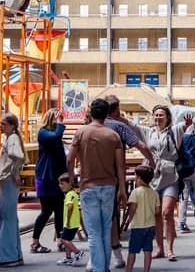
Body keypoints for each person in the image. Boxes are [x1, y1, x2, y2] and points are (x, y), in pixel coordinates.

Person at [67, 99, 127, 272]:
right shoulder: (113, 135)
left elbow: (70, 159)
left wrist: (71, 179)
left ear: (91, 112)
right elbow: (120, 166)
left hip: (88, 187)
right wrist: (122, 189)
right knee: (106, 230)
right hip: (109, 187)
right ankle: (104, 267)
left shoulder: (81, 132)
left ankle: (100, 269)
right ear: (106, 114)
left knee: (93, 233)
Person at [103, 96, 155, 269]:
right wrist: (151, 160)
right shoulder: (119, 127)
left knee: (96, 221)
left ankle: (96, 258)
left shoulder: (87, 129)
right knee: (111, 217)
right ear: (115, 110)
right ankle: (116, 255)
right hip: (113, 178)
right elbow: (141, 145)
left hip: (90, 179)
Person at [138, 104, 192, 262]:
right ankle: (160, 249)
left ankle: (169, 249)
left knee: (166, 212)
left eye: (161, 115)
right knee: (156, 215)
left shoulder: (174, 131)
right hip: (153, 177)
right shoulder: (148, 132)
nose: (158, 118)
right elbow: (133, 127)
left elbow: (184, 125)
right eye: (155, 115)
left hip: (171, 177)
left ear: (168, 118)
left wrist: (187, 124)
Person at [32, 108, 66, 254]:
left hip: (57, 177)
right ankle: (35, 242)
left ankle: (60, 240)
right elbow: (55, 137)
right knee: (46, 211)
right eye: (57, 118)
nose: (59, 121)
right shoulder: (44, 133)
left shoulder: (55, 135)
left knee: (59, 210)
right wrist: (60, 124)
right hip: (45, 177)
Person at [0, 113, 25, 268]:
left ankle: (8, 256)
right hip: (9, 181)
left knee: (4, 218)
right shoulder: (12, 138)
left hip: (7, 181)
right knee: (9, 218)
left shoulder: (11, 138)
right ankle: (14, 254)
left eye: (4, 123)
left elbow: (17, 155)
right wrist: (15, 172)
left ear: (12, 125)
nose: (1, 126)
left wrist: (13, 171)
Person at [124, 165, 161, 272]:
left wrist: (129, 221)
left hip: (137, 226)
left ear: (139, 178)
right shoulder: (154, 193)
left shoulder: (135, 192)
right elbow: (157, 210)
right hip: (150, 226)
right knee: (148, 251)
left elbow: (132, 209)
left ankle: (129, 270)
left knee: (132, 251)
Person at [56, 173, 86, 266]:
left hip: (71, 223)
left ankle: (78, 252)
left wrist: (68, 221)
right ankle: (68, 258)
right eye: (60, 184)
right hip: (73, 223)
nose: (60, 186)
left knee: (64, 240)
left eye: (62, 184)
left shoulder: (70, 195)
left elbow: (70, 207)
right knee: (67, 239)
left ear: (70, 184)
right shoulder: (72, 194)